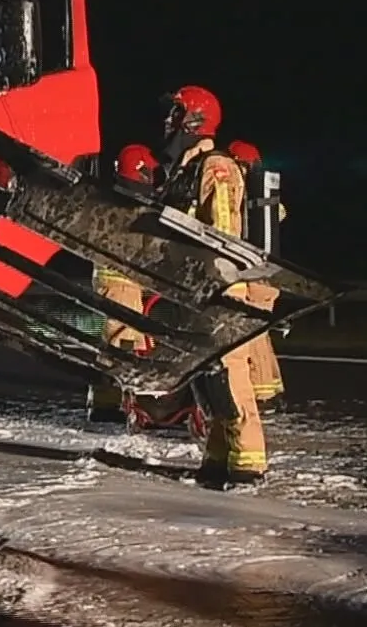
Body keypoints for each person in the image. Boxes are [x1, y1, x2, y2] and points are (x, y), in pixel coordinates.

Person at [158, 86, 266, 489]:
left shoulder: (216, 167)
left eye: (175, 113)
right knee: (209, 378)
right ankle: (218, 457)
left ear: (194, 118)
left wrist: (216, 284)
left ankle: (249, 462)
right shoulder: (187, 168)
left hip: (219, 288)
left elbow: (222, 233)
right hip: (194, 291)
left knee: (230, 374)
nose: (168, 122)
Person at [87, 144, 159, 422]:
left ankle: (107, 401)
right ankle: (112, 403)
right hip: (121, 284)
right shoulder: (129, 204)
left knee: (115, 343)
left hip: (117, 283)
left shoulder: (112, 200)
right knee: (123, 344)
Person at [226, 138, 287, 409]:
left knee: (254, 336)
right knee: (258, 334)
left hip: (256, 275)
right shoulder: (264, 201)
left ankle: (264, 394)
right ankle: (272, 390)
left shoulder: (247, 198)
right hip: (265, 273)